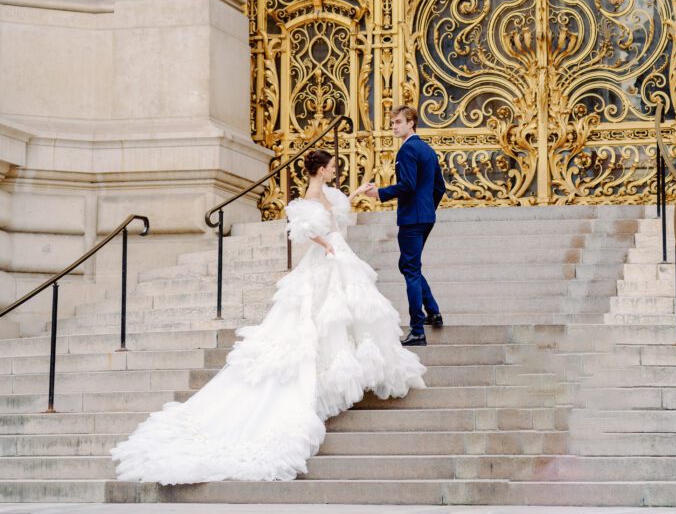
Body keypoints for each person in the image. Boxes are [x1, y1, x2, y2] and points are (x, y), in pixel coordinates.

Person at [110, 148, 425, 484]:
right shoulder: (310, 195)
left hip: (337, 259)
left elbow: (335, 214)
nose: (335, 171)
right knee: (321, 319)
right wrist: (326, 245)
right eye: (332, 167)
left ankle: (340, 368)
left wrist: (358, 193)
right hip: (326, 262)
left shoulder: (326, 193)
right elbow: (303, 229)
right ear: (319, 169)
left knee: (342, 315)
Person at [363, 105, 446, 346]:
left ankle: (417, 329)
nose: (394, 127)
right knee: (410, 265)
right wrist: (428, 209)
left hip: (412, 218)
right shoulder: (428, 150)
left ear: (411, 123)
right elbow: (440, 187)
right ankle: (433, 311)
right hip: (426, 217)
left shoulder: (407, 150)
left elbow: (408, 185)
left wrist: (379, 192)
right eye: (392, 123)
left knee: (410, 269)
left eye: (398, 122)